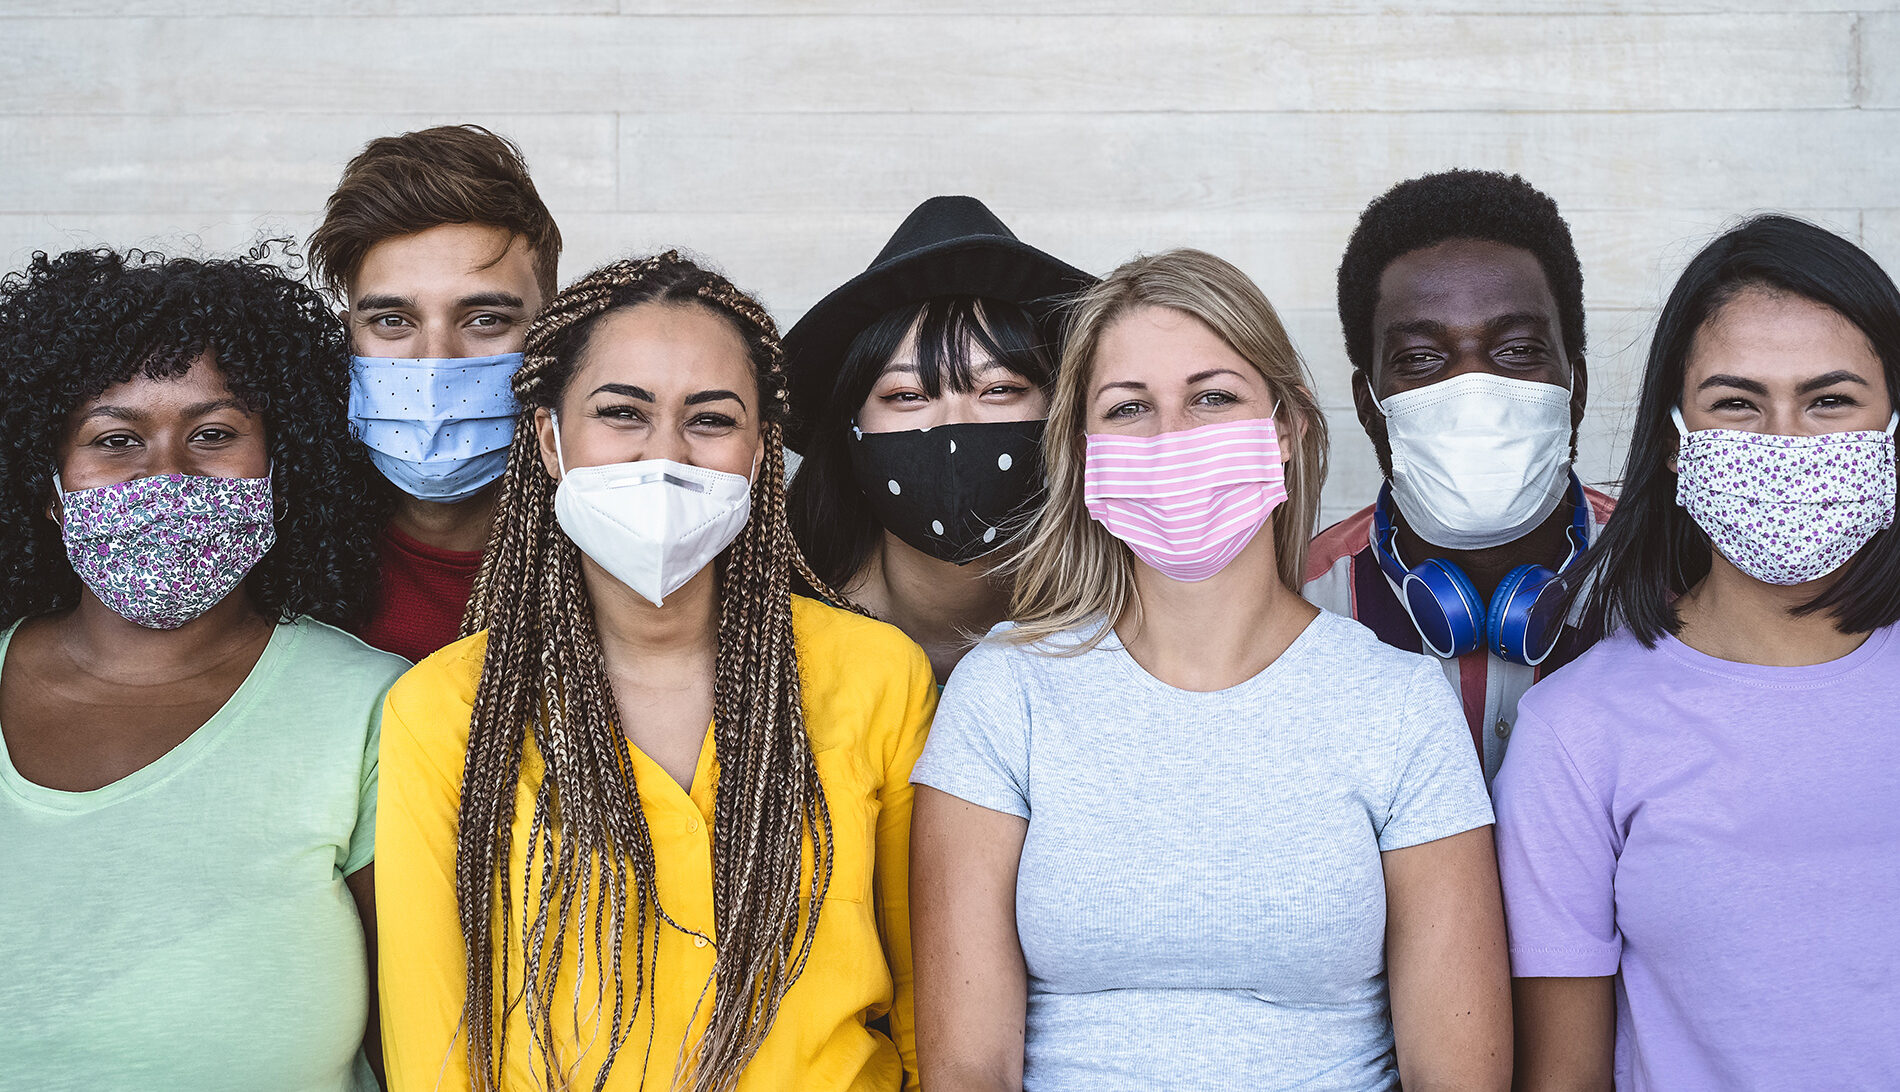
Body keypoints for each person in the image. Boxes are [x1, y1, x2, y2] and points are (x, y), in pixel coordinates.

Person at [910, 248, 1510, 1092]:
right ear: (1083, 454)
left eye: (1212, 397)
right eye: (1129, 409)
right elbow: (968, 1070)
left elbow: (1459, 1077)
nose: (1171, 436)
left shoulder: (1399, 704)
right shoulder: (1006, 692)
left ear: (1288, 426)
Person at [376, 252, 937, 1092]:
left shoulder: (877, 675)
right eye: (622, 413)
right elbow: (435, 1051)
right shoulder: (445, 709)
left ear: (758, 453)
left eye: (709, 419)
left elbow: (933, 1004)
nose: (664, 452)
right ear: (550, 441)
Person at [1497, 215, 1900, 1090]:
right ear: (1679, 440)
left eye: (1831, 399)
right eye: (1737, 402)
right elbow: (1565, 1076)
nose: (1786, 441)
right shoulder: (1578, 729)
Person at [0, 247, 407, 1090]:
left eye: (214, 435)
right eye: (116, 439)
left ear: (280, 473)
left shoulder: (373, 706)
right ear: (47, 484)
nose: (168, 475)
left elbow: (432, 1029)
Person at [1305, 170, 1614, 783]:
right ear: (1369, 406)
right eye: (1420, 358)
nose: (1472, 388)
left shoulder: (1678, 582)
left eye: (1518, 349)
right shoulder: (1299, 604)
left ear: (1575, 388)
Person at [784, 196, 1092, 681]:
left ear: (1063, 414)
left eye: (1000, 390)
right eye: (907, 395)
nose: (955, 425)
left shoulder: (1118, 628)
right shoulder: (778, 635)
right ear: (850, 427)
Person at [308, 123, 562, 662]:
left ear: (552, 332)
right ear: (348, 334)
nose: (436, 361)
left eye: (486, 319)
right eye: (394, 320)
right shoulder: (280, 563)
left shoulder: (618, 556)